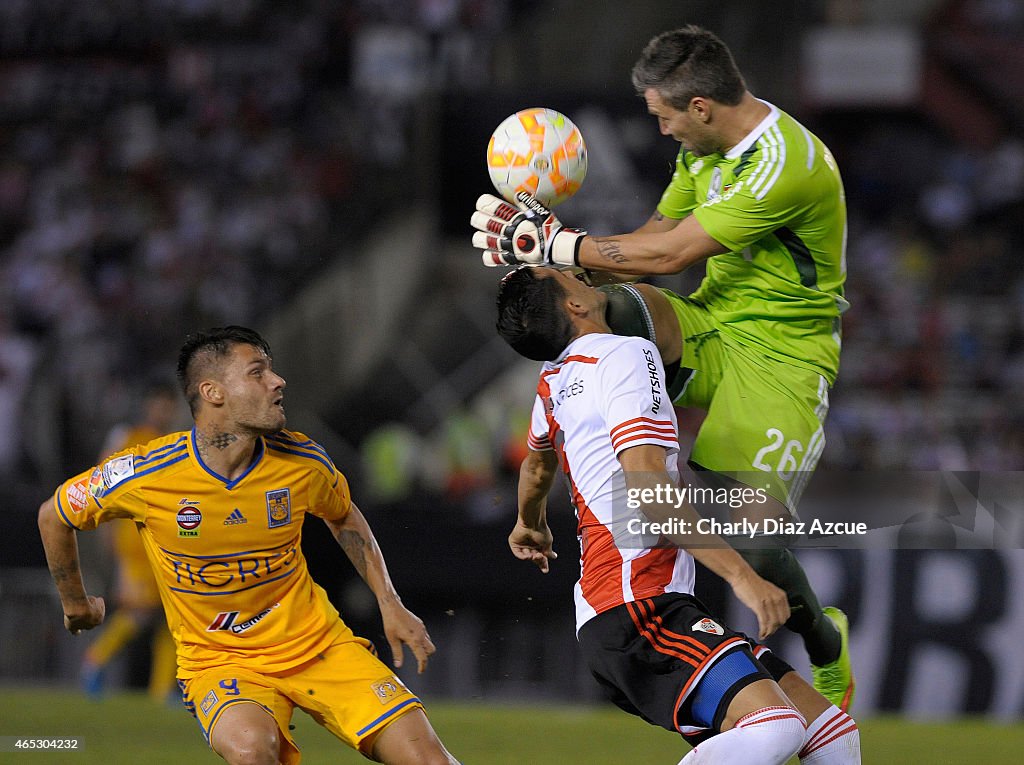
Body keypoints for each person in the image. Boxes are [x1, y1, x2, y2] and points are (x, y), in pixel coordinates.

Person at [472, 24, 853, 710]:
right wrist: (551, 261)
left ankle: (827, 642)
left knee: (752, 542)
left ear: (701, 108)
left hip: (782, 360)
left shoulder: (785, 162)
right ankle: (592, 444)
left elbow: (674, 252)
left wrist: (564, 242)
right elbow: (650, 235)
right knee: (604, 308)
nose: (665, 131)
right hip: (710, 324)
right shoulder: (705, 151)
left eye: (666, 117)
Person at [39, 326, 458, 765]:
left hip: (320, 645)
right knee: (252, 751)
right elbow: (54, 515)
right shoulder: (147, 472)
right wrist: (76, 605)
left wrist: (390, 604)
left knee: (430, 760)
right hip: (222, 662)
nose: (277, 382)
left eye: (271, 370)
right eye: (258, 372)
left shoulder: (303, 461)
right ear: (213, 392)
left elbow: (343, 515)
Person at [496, 267, 860, 763]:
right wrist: (742, 578)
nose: (582, 277)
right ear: (575, 307)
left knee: (831, 731)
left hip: (640, 608)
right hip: (637, 610)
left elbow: (537, 468)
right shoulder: (624, 354)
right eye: (569, 277)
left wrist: (529, 522)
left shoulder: (553, 381)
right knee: (776, 727)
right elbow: (649, 491)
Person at [81, 381, 181, 701]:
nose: (163, 410)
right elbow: (102, 485)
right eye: (159, 403)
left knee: (170, 615)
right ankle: (95, 659)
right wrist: (106, 530)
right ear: (148, 404)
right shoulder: (128, 437)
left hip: (164, 539)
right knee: (139, 613)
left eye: (168, 404)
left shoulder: (172, 443)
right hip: (133, 540)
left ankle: (161, 692)